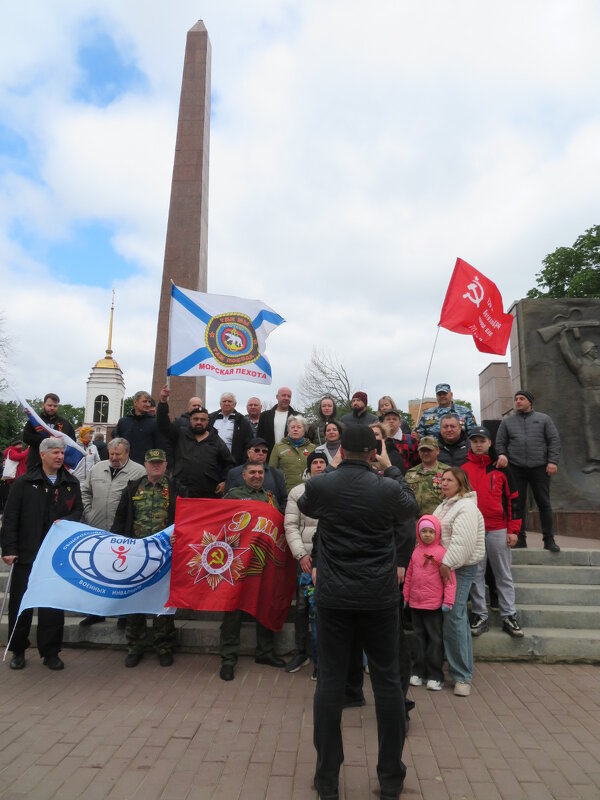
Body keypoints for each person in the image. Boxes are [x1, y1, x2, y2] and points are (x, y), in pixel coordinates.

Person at [298, 425, 417, 800]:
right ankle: (391, 780)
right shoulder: (387, 487)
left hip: (334, 595)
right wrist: (391, 467)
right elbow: (410, 507)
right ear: (373, 451)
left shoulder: (325, 484)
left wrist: (333, 470)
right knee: (386, 683)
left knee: (331, 682)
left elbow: (306, 502)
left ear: (340, 451)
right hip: (379, 597)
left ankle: (328, 780)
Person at [1, 438, 83, 671]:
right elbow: (10, 517)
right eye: (55, 452)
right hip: (27, 554)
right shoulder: (25, 482)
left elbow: (78, 510)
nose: (59, 456)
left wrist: (65, 521)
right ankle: (18, 649)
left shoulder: (70, 483)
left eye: (62, 453)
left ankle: (51, 652)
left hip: (56, 558)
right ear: (44, 455)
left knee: (53, 606)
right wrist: (8, 549)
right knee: (21, 605)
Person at [219, 462, 285, 680]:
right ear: (243, 475)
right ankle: (228, 658)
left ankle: (265, 652)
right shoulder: (233, 494)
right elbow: (218, 520)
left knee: (265, 604)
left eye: (260, 473)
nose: (257, 476)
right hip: (237, 561)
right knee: (233, 609)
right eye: (252, 473)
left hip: (263, 561)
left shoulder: (270, 496)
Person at [111, 449, 176, 667]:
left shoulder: (176, 489)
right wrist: (116, 543)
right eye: (152, 462)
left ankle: (163, 646)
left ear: (166, 465)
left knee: (162, 603)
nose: (155, 466)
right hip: (136, 554)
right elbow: (121, 518)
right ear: (145, 465)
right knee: (135, 601)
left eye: (159, 462)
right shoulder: (133, 487)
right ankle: (135, 646)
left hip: (164, 556)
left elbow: (184, 520)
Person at [462, 427, 523, 638]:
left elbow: (514, 500)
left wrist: (514, 530)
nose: (478, 444)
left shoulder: (501, 467)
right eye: (474, 441)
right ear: (470, 444)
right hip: (474, 530)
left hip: (499, 528)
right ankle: (480, 614)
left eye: (482, 440)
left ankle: (509, 615)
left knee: (503, 574)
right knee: (476, 574)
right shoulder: (463, 469)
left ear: (489, 443)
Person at [78, 437, 146, 627]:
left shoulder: (138, 471)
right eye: (112, 454)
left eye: (118, 454)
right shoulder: (97, 468)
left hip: (124, 532)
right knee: (98, 573)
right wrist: (89, 512)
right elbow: (85, 491)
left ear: (127, 453)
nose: (114, 458)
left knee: (123, 573)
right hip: (98, 528)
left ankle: (123, 614)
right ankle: (96, 612)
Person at [433, 467, 485, 697]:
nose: (444, 483)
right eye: (442, 479)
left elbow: (462, 542)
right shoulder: (445, 505)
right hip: (444, 567)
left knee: (454, 617)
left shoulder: (465, 507)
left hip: (458, 568)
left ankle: (462, 676)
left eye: (449, 480)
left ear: (461, 483)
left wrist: (447, 563)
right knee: (457, 618)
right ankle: (461, 671)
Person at [496, 390, 561, 552]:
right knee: (517, 504)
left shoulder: (544, 419)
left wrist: (552, 461)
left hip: (540, 467)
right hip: (515, 468)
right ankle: (520, 538)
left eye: (521, 399)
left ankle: (549, 539)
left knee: (543, 503)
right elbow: (500, 442)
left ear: (529, 402)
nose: (518, 401)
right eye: (516, 399)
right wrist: (502, 454)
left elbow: (554, 441)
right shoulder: (507, 422)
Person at [284, 451, 328, 676]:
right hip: (304, 557)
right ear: (309, 467)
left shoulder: (335, 489)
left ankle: (325, 658)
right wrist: (301, 554)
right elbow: (290, 525)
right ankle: (301, 652)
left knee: (325, 609)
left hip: (329, 560)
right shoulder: (297, 492)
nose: (319, 466)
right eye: (315, 463)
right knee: (302, 606)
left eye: (322, 462)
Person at [404, 515, 456, 691]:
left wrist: (448, 600)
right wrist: (406, 596)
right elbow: (409, 576)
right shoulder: (416, 551)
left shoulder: (441, 553)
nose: (427, 534)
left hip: (433, 605)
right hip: (416, 604)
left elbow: (449, 579)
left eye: (431, 531)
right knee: (418, 638)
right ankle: (418, 671)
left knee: (434, 639)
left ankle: (435, 674)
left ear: (437, 533)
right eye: (423, 531)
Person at [157, 386, 233, 498]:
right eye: (196, 419)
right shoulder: (180, 434)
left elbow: (229, 463)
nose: (199, 422)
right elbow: (163, 425)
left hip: (208, 494)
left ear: (207, 421)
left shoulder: (216, 440)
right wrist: (163, 402)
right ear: (190, 420)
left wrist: (225, 481)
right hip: (181, 492)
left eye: (202, 420)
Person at [558, 334, 600, 472]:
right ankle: (595, 460)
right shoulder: (580, 363)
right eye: (593, 349)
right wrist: (563, 338)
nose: (596, 351)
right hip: (588, 397)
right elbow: (568, 355)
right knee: (591, 429)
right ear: (587, 351)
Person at [224, 437, 287, 509]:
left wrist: (278, 516)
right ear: (248, 452)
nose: (261, 453)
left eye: (264, 451)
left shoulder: (276, 473)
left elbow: (284, 500)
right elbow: (227, 504)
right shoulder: (234, 473)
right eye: (257, 450)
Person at [23, 393, 76, 471]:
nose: (52, 408)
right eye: (49, 405)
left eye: (55, 406)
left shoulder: (65, 423)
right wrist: (48, 439)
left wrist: (62, 442)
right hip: (36, 464)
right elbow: (26, 437)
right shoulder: (35, 421)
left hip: (57, 467)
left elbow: (72, 442)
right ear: (43, 405)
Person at [111, 390, 164, 465]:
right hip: (125, 466)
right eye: (145, 401)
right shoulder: (123, 422)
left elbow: (160, 446)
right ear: (135, 402)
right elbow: (116, 444)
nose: (148, 404)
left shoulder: (155, 423)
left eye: (149, 402)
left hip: (146, 467)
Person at [269, 415, 315, 493]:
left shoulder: (312, 448)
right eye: (292, 427)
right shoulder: (278, 447)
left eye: (299, 427)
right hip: (286, 491)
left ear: (304, 431)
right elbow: (272, 470)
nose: (295, 429)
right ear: (288, 430)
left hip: (308, 491)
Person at [405, 436, 450, 515]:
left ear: (437, 451)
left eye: (429, 450)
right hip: (416, 521)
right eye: (422, 450)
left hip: (439, 520)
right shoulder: (410, 473)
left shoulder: (447, 472)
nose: (425, 453)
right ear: (418, 452)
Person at [208, 392, 254, 466]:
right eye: (224, 401)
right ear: (220, 404)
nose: (226, 403)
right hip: (212, 461)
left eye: (229, 401)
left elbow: (249, 444)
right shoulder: (210, 418)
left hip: (233, 463)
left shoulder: (242, 421)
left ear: (235, 404)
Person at [256, 386, 297, 456]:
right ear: (277, 397)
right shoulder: (265, 416)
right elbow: (259, 438)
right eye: (284, 395)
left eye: (289, 396)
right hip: (269, 456)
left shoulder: (297, 416)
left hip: (291, 457)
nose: (286, 398)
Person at [1, 439, 29, 510]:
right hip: (15, 478)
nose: (21, 446)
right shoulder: (11, 451)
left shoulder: (18, 452)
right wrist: (28, 450)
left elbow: (24, 460)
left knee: (19, 496)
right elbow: (17, 457)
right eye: (19, 444)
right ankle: (8, 513)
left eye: (21, 444)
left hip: (19, 476)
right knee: (14, 497)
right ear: (15, 445)